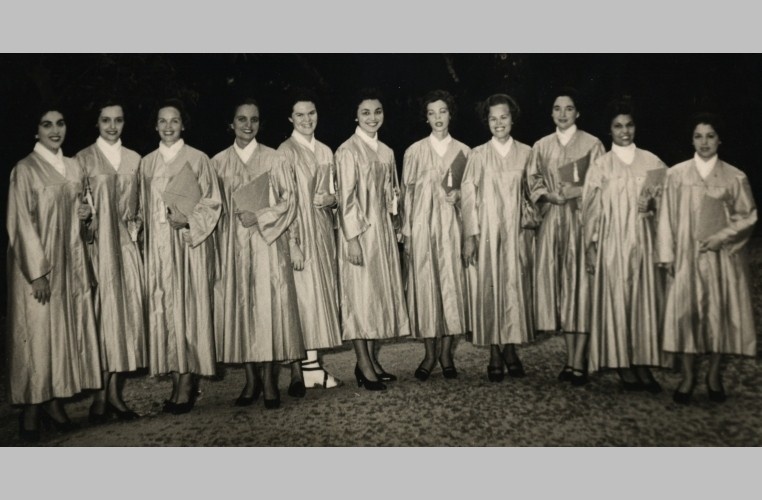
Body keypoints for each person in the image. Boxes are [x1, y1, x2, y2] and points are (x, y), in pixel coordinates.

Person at [7, 104, 101, 442]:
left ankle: (55, 401)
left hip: (70, 266)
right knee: (36, 338)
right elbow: (20, 224)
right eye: (46, 125)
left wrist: (86, 216)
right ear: (36, 131)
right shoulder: (25, 170)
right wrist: (37, 274)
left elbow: (84, 224)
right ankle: (32, 409)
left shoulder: (75, 168)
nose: (55, 130)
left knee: (61, 336)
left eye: (60, 123)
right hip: (37, 269)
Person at [656, 113, 757, 404]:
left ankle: (713, 374)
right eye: (699, 136)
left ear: (719, 139)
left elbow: (747, 216)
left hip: (721, 258)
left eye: (710, 136)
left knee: (718, 315)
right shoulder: (676, 175)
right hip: (686, 257)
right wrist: (667, 255)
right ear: (691, 139)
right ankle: (688, 377)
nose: (704, 142)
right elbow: (665, 218)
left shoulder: (734, 177)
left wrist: (722, 237)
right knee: (686, 316)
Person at [212, 98, 305, 409]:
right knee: (241, 310)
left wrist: (261, 215)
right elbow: (213, 208)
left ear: (259, 123)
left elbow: (289, 201)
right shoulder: (218, 163)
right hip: (233, 246)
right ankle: (250, 379)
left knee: (267, 311)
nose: (248, 125)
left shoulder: (274, 159)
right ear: (231, 123)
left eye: (254, 119)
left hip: (267, 244)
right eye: (241, 119)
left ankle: (269, 381)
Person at [139, 99, 222, 414]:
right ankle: (176, 379)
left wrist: (188, 220)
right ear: (156, 125)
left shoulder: (198, 159)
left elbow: (213, 203)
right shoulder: (147, 163)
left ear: (183, 124)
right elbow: (140, 208)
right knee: (166, 312)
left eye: (174, 121)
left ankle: (187, 382)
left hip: (187, 247)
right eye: (163, 121)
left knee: (187, 310)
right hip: (160, 250)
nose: (169, 126)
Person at [582, 97, 667, 393]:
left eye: (629, 125)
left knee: (643, 303)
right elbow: (590, 211)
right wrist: (591, 247)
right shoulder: (601, 166)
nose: (625, 131)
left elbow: (668, 205)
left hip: (642, 243)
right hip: (612, 244)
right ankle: (622, 363)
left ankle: (643, 362)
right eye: (618, 126)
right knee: (617, 301)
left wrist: (653, 205)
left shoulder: (653, 162)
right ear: (610, 130)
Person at [528, 89, 605, 386]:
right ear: (551, 113)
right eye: (557, 109)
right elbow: (532, 181)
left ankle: (579, 361)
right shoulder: (542, 145)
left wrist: (578, 192)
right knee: (562, 291)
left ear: (577, 113)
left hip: (580, 223)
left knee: (580, 290)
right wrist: (547, 194)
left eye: (569, 109)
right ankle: (570, 359)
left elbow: (600, 185)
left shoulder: (592, 144)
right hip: (551, 223)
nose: (562, 114)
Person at [335, 88, 410, 391]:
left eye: (377, 111)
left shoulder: (387, 152)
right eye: (365, 112)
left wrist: (396, 219)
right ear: (356, 115)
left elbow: (391, 194)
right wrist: (351, 238)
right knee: (360, 298)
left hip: (382, 234)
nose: (372, 118)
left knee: (377, 296)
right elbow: (346, 198)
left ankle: (371, 360)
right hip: (359, 235)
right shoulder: (347, 151)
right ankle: (363, 365)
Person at [75, 100, 145, 423]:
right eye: (106, 120)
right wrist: (84, 218)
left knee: (127, 318)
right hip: (98, 248)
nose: (112, 126)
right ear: (97, 123)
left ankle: (115, 394)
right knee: (103, 320)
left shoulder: (135, 159)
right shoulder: (83, 160)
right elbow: (75, 210)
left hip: (126, 248)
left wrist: (137, 227)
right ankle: (99, 398)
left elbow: (139, 208)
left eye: (118, 120)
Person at [461, 93, 535, 382]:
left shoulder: (528, 153)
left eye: (503, 116)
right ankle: (494, 350)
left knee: (515, 288)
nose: (499, 122)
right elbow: (468, 197)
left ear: (512, 118)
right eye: (493, 118)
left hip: (517, 233)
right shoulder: (478, 155)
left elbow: (533, 194)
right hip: (488, 233)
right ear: (487, 122)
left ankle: (512, 349)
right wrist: (471, 235)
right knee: (490, 288)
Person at [401, 90, 471, 381]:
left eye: (443, 111)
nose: (438, 118)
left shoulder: (465, 152)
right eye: (432, 113)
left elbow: (474, 196)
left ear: (450, 113)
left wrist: (461, 197)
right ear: (426, 117)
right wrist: (407, 232)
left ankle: (446, 353)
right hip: (423, 230)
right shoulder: (414, 151)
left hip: (452, 231)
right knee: (426, 291)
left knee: (451, 290)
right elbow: (406, 194)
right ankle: (429, 354)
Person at [277, 92, 343, 394]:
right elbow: (282, 201)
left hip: (322, 234)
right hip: (299, 234)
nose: (307, 120)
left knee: (320, 299)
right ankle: (305, 369)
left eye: (311, 113)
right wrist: (292, 243)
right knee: (302, 300)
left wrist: (331, 200)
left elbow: (332, 194)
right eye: (300, 115)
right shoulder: (285, 152)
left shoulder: (326, 151)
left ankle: (314, 367)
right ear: (291, 118)